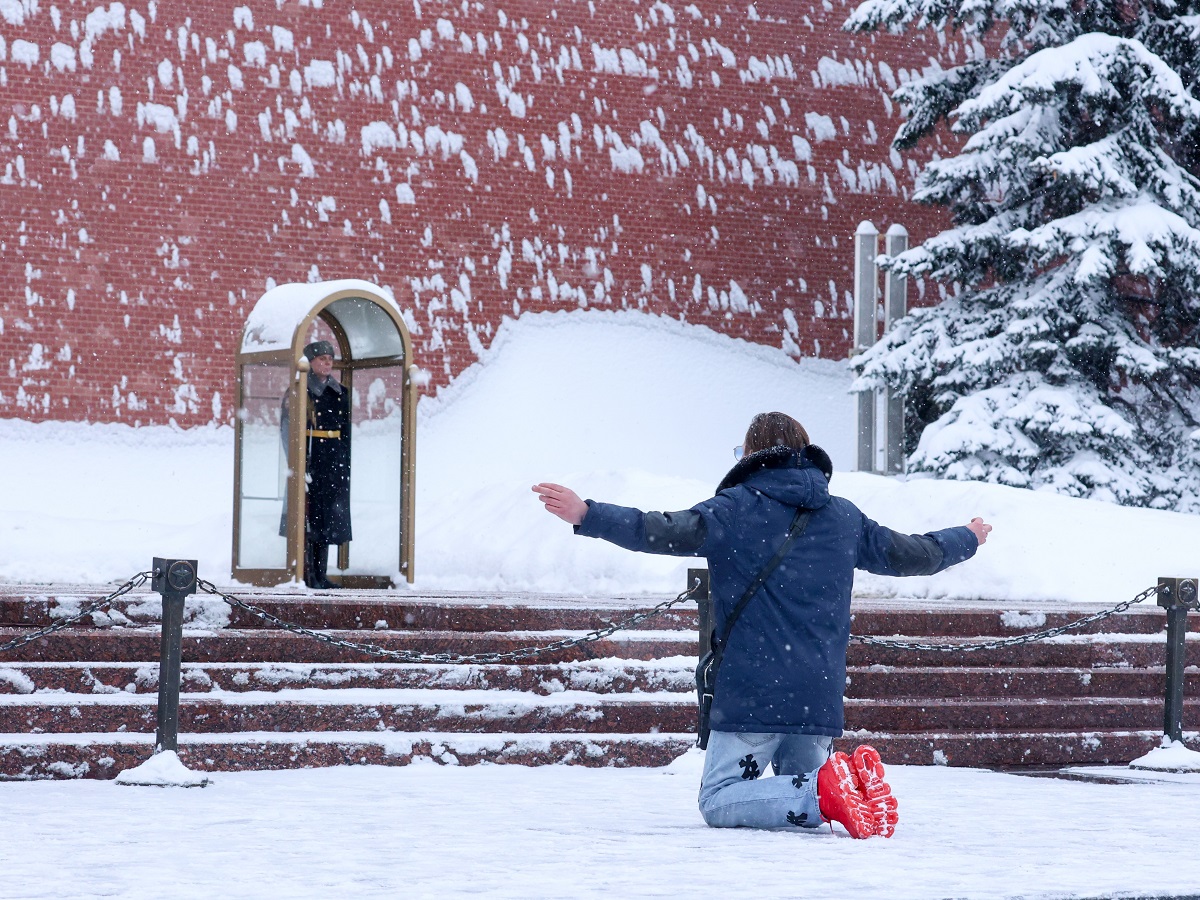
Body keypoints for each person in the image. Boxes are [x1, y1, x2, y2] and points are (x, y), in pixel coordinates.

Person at [532, 411, 991, 838]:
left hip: (755, 689)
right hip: (816, 692)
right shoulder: (844, 518)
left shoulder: (736, 508)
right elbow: (915, 554)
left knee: (720, 800)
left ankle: (823, 792)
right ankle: (836, 791)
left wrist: (588, 515)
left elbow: (663, 529)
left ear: (751, 457)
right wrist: (966, 537)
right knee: (804, 807)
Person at [280, 340, 352, 589]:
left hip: (332, 464)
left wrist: (344, 464)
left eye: (330, 358)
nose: (327, 362)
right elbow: (288, 430)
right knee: (309, 520)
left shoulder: (341, 392)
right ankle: (306, 574)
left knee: (328, 522)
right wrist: (299, 463)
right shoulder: (300, 390)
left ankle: (321, 575)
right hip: (310, 460)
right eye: (322, 358)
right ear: (310, 363)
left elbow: (345, 433)